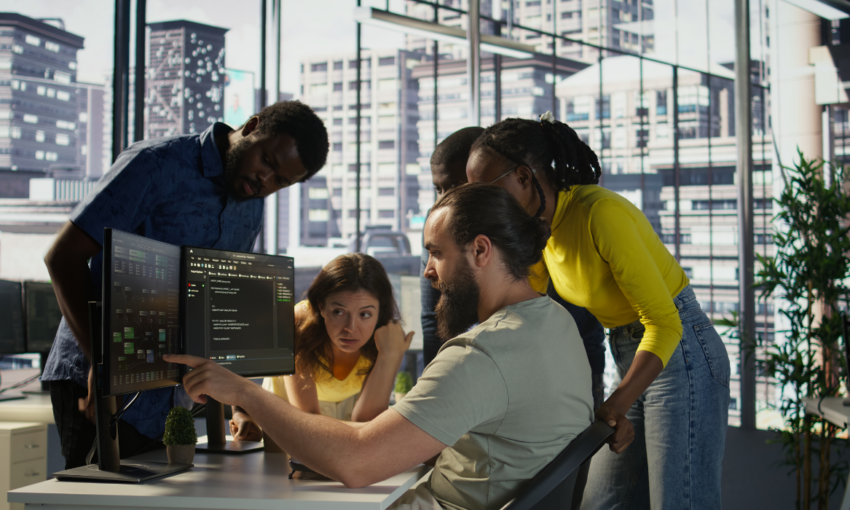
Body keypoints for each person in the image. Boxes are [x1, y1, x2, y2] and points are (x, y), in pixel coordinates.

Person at [165, 184, 593, 509]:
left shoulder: (481, 355)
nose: (427, 271)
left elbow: (357, 463)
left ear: (480, 250)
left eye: (436, 253)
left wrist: (243, 392)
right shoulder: (555, 323)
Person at [42, 100, 329, 469]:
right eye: (267, 162)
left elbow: (218, 300)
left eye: (280, 182)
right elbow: (62, 257)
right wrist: (103, 358)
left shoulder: (251, 206)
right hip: (98, 378)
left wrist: (239, 403)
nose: (265, 181)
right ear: (251, 126)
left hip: (170, 396)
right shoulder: (156, 163)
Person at [466, 113, 731, 509]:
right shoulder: (541, 232)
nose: (479, 204)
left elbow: (664, 322)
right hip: (629, 355)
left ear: (523, 177)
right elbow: (527, 314)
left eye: (485, 189)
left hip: (680, 353)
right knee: (599, 503)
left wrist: (617, 403)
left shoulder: (598, 213)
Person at [421, 127, 607, 409]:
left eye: (456, 186)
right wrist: (435, 394)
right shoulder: (442, 225)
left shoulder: (538, 221)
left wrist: (591, 387)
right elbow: (432, 317)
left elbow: (579, 322)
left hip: (562, 370)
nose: (443, 199)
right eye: (439, 188)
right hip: (486, 375)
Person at [229, 253, 414, 441]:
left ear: (380, 313)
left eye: (365, 314)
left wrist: (389, 357)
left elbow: (368, 424)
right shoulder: (297, 324)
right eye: (339, 312)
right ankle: (243, 412)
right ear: (321, 306)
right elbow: (307, 425)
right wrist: (361, 430)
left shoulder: (386, 337)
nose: (350, 328)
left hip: (336, 417)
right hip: (284, 411)